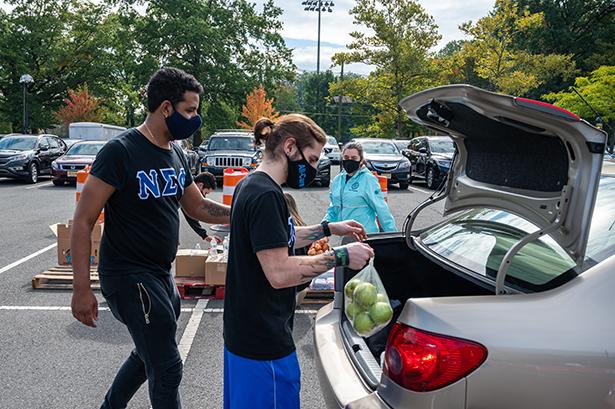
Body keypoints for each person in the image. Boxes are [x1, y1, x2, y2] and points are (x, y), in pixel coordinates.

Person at [70, 67, 231, 409]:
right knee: (168, 367)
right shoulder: (121, 152)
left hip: (159, 274)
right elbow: (83, 221)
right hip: (128, 276)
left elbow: (198, 206)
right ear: (166, 108)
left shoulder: (175, 152)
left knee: (148, 356)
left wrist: (245, 213)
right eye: (190, 110)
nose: (195, 118)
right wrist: (81, 289)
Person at [223, 114, 374, 409]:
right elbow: (279, 272)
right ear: (290, 147)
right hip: (263, 345)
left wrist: (329, 228)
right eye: (313, 158)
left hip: (244, 336)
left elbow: (280, 238)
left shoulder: (250, 184)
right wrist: (342, 255)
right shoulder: (267, 196)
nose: (315, 168)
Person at [324, 141, 397, 235]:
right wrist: (324, 226)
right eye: (346, 157)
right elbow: (334, 207)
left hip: (365, 235)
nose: (349, 160)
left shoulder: (368, 179)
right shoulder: (338, 180)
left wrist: (393, 236)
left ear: (361, 160)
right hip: (345, 236)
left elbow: (381, 209)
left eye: (354, 158)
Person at [182, 171, 221, 243]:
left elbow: (190, 215)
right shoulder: (183, 187)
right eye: (205, 193)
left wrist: (204, 235)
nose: (204, 196)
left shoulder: (186, 185)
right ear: (200, 185)